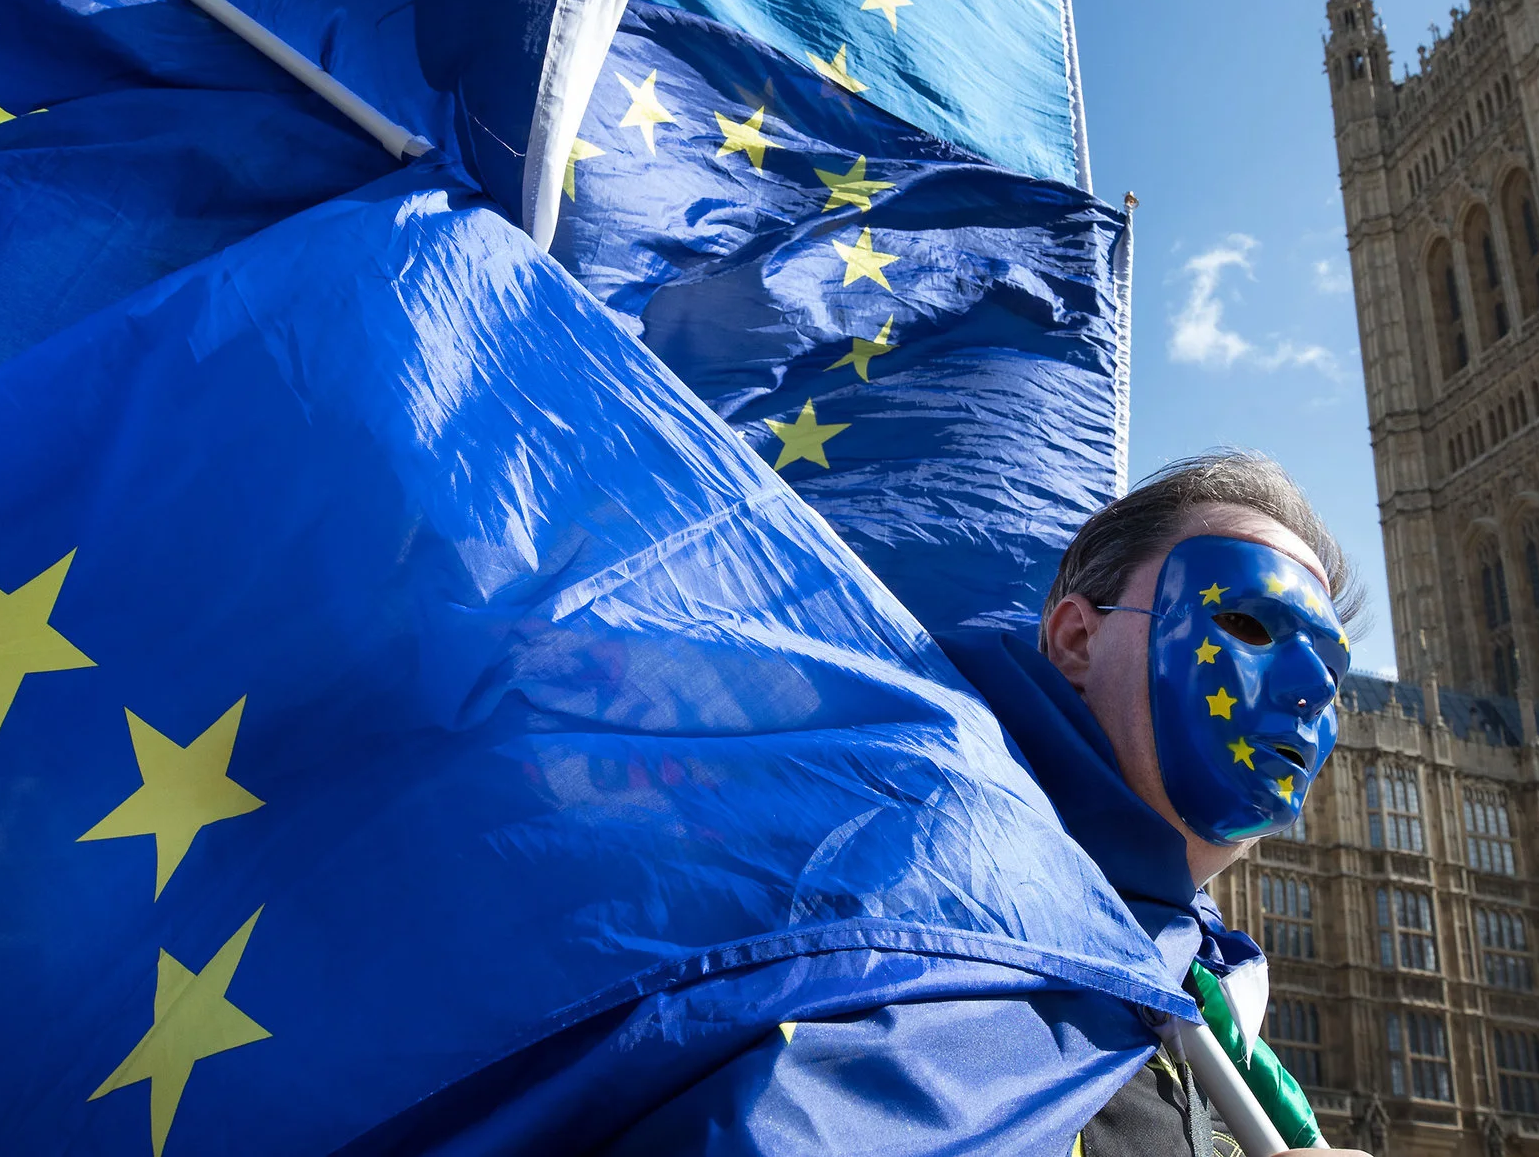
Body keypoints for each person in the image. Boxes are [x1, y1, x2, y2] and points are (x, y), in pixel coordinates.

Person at [352, 451, 1365, 1156]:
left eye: (1332, 667)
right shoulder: (894, 872)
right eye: (1246, 618)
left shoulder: (1206, 1018)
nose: (1311, 690)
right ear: (1072, 638)